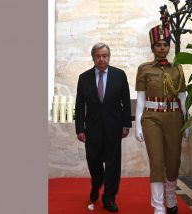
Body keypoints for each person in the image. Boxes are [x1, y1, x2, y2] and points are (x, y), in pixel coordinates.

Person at [135, 24, 188, 214]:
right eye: (158, 44)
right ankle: (158, 207)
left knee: (173, 161)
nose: (162, 48)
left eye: (166, 44)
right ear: (152, 47)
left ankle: (171, 199)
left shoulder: (178, 69)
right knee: (157, 161)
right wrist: (138, 125)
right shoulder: (144, 69)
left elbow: (183, 97)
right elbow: (141, 98)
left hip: (174, 118)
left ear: (169, 47)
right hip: (151, 118)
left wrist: (187, 121)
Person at [75, 42, 132, 212]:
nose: (101, 59)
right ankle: (96, 183)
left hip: (114, 127)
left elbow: (126, 102)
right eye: (98, 56)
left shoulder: (119, 75)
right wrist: (80, 128)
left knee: (113, 164)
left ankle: (109, 197)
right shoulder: (84, 78)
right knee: (93, 161)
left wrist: (126, 124)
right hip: (92, 128)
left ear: (109, 56)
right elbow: (79, 105)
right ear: (93, 58)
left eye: (104, 55)